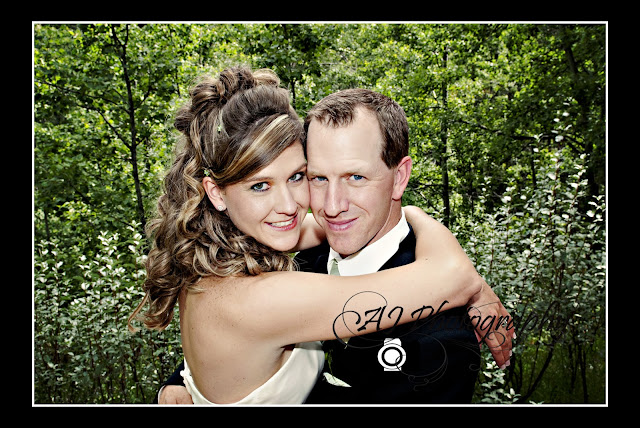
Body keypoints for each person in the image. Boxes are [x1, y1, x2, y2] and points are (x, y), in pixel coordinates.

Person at [146, 67, 512, 405]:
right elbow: (455, 277)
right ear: (216, 193)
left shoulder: (234, 251)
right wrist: (470, 281)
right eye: (260, 185)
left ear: (399, 177)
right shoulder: (270, 289)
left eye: (297, 177)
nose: (291, 206)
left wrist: (183, 381)